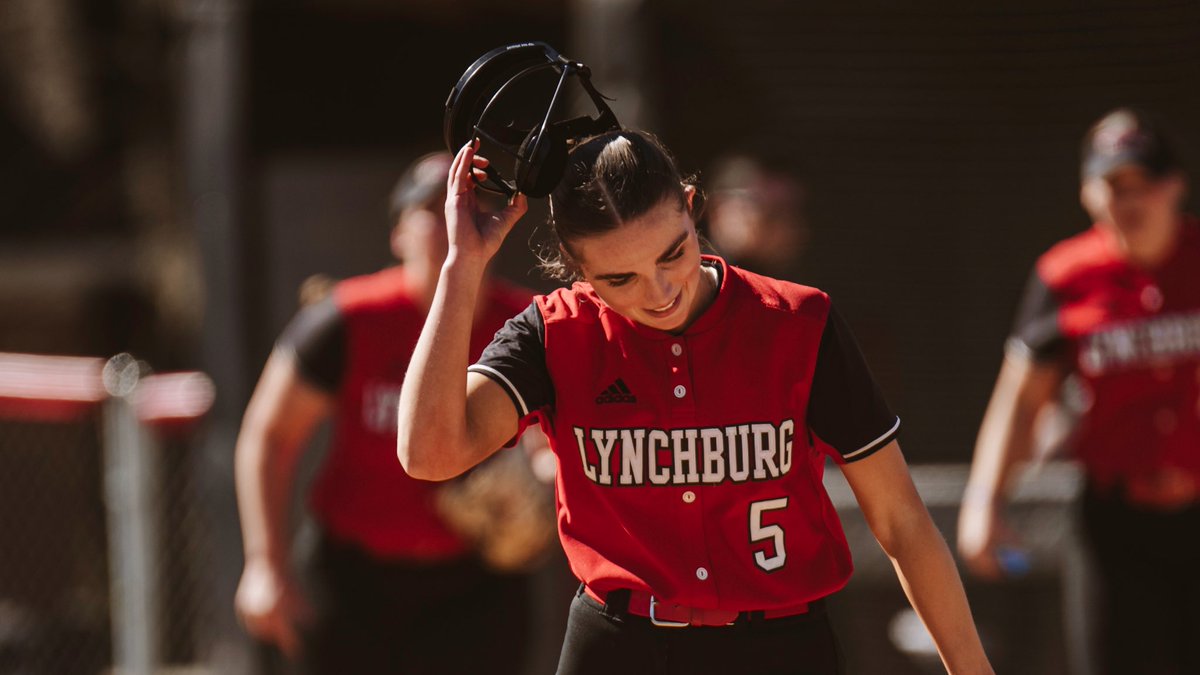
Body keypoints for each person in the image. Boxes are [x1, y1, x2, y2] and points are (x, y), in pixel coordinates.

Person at [396, 131, 993, 674]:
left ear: (690, 204)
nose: (658, 294)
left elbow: (902, 522)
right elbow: (429, 453)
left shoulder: (798, 321)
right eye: (619, 279)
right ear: (577, 269)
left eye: (671, 254)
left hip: (780, 648)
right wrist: (463, 265)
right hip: (618, 646)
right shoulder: (555, 333)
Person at [233, 151, 536, 674]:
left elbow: (563, 439)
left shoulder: (527, 324)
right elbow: (269, 435)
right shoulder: (348, 320)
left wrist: (544, 475)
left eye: (471, 207)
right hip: (355, 584)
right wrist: (266, 565)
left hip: (476, 588)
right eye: (433, 208)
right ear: (397, 236)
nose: (453, 221)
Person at [957, 108, 1200, 674]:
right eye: (1114, 186)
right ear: (1089, 194)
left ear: (1176, 186)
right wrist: (984, 503)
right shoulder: (1066, 276)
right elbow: (1021, 401)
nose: (1130, 201)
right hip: (1116, 522)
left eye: (1145, 183)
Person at [705, 153, 810, 279]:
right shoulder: (686, 286)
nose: (789, 227)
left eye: (794, 212)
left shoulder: (801, 292)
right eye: (771, 212)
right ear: (718, 210)